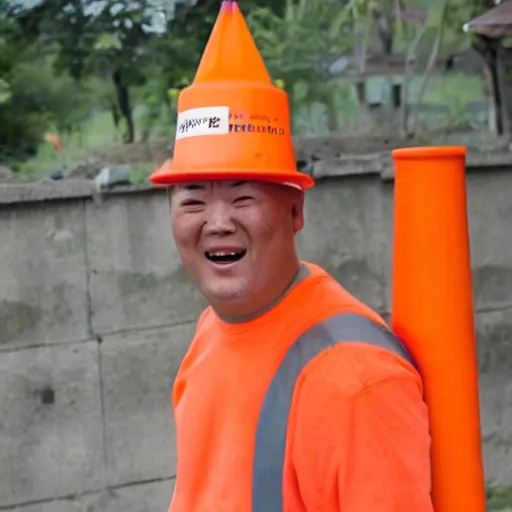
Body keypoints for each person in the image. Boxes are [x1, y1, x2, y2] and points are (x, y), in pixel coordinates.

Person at [150, 2, 434, 511]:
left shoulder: (356, 380)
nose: (217, 221)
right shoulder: (212, 332)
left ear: (295, 211)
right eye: (192, 197)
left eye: (243, 197)